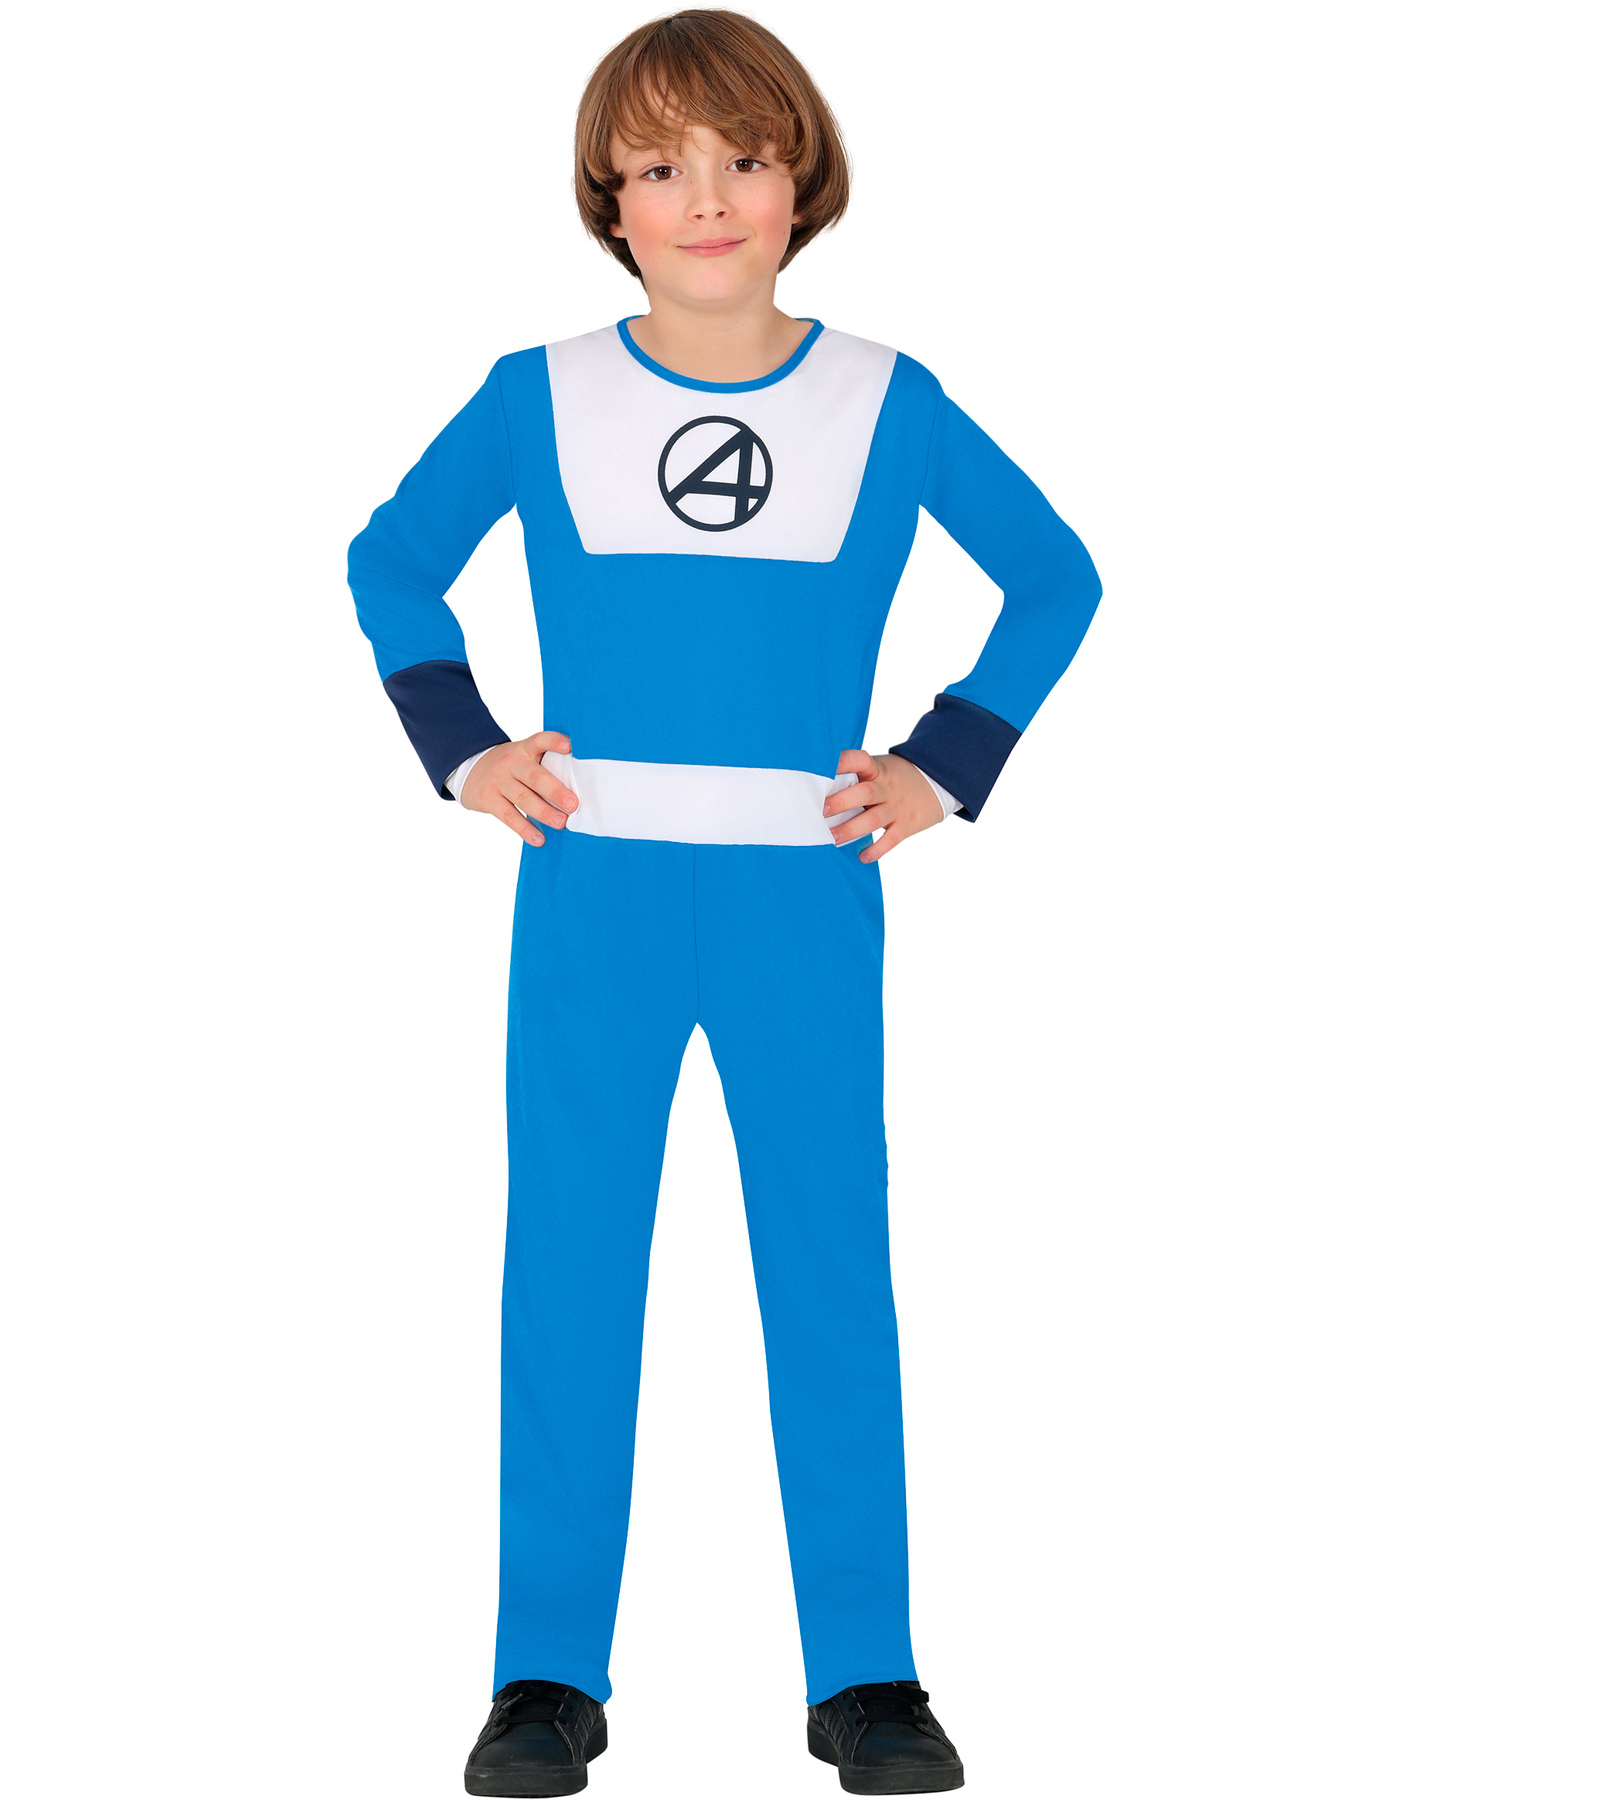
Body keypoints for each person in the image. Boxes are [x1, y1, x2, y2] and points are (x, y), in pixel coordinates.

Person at [346, 11, 1102, 1794]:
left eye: (745, 159)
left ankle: (868, 1675)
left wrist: (943, 762)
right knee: (572, 1268)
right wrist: (465, 750)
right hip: (593, 893)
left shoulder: (883, 400)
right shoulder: (540, 393)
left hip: (801, 900)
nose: (706, 197)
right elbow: (390, 560)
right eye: (662, 164)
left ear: (801, 182)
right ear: (608, 198)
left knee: (828, 1267)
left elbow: (1057, 577)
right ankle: (545, 1675)